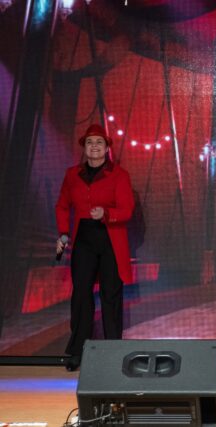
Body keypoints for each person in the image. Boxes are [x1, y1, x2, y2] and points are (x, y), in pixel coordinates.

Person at [55, 123, 134, 371]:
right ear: (84, 148)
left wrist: (107, 213)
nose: (94, 146)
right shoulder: (72, 175)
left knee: (111, 294)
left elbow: (127, 210)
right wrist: (63, 234)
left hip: (110, 238)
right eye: (90, 142)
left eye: (99, 142)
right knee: (81, 294)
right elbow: (62, 205)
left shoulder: (119, 175)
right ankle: (78, 351)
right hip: (84, 239)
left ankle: (113, 352)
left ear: (107, 148)